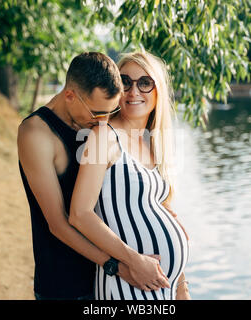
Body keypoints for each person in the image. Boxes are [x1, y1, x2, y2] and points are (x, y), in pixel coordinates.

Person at [17, 52, 170, 300]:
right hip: (65, 284)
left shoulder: (94, 126)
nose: (104, 123)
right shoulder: (36, 134)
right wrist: (120, 266)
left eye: (111, 113)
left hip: (106, 283)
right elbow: (59, 223)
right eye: (99, 114)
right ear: (70, 96)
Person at [69, 51, 191, 300]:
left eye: (145, 83)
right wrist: (133, 261)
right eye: (125, 82)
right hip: (126, 285)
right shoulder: (103, 137)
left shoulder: (154, 144)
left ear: (159, 91)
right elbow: (80, 215)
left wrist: (181, 287)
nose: (134, 91)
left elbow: (164, 214)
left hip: (163, 288)